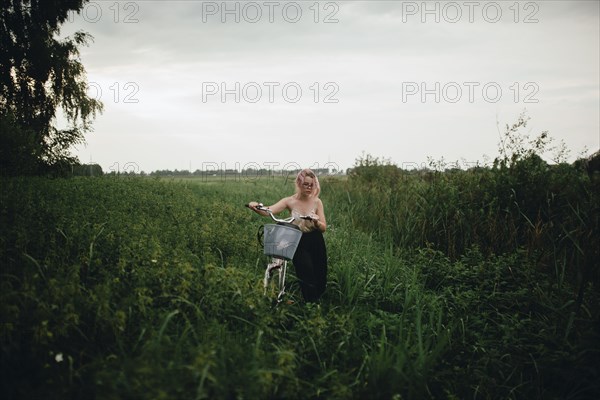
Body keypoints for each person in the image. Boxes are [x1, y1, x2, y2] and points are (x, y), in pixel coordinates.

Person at [248, 169, 328, 302]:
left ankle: (318, 299)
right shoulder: (289, 201)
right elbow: (269, 211)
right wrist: (255, 206)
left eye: (311, 185)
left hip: (315, 238)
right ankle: (311, 304)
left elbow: (323, 227)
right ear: (299, 183)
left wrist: (316, 221)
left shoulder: (316, 202)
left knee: (320, 272)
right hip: (297, 239)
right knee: (305, 270)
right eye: (306, 184)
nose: (309, 188)